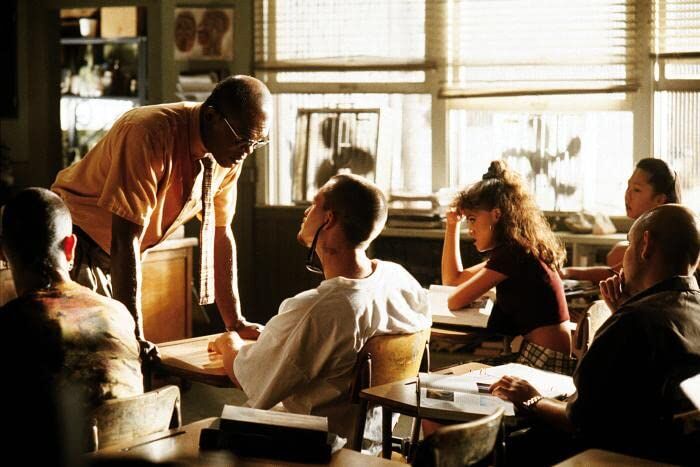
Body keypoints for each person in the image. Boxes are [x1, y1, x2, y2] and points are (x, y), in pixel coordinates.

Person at [52, 75, 272, 357]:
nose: (248, 151)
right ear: (211, 116)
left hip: (117, 254)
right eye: (242, 139)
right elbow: (124, 238)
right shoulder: (147, 132)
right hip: (76, 243)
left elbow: (221, 232)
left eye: (258, 142)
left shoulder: (229, 152)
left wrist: (235, 323)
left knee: (116, 357)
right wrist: (134, 336)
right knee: (97, 358)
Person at [209, 174, 431, 445]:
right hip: (373, 442)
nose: (306, 212)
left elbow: (251, 378)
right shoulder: (401, 280)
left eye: (315, 204)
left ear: (329, 219)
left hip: (320, 446)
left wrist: (229, 343)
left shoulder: (320, 309)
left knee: (209, 429)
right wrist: (279, 338)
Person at [490, 204, 700, 464]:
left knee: (507, 446)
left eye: (629, 244)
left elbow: (581, 421)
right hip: (678, 453)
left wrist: (531, 397)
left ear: (645, 245)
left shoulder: (633, 322)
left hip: (623, 455)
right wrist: (624, 311)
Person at [0, 188, 143, 410]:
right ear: (70, 247)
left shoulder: (10, 324)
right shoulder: (119, 313)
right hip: (139, 431)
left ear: (2, 252)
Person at [441, 160, 573, 374]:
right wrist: (452, 225)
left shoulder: (512, 254)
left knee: (447, 377)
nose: (470, 229)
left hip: (545, 363)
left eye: (472, 219)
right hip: (544, 357)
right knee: (454, 375)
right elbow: (453, 280)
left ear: (496, 215)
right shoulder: (518, 249)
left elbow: (454, 300)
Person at [561, 157, 680, 282]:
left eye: (636, 190)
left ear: (659, 199)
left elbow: (614, 274)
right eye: (628, 187)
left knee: (617, 254)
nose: (627, 195)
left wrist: (568, 272)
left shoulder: (658, 236)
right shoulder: (651, 228)